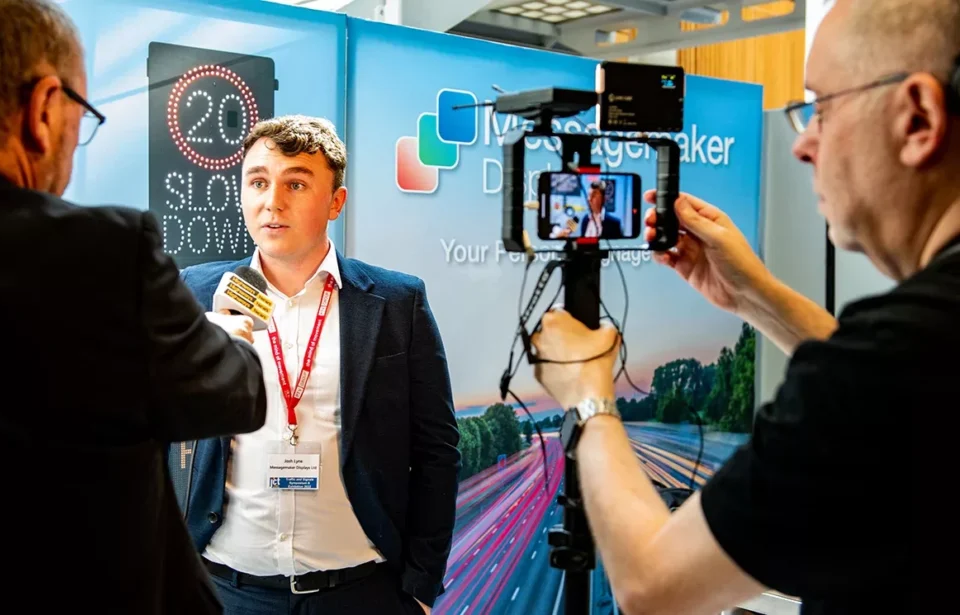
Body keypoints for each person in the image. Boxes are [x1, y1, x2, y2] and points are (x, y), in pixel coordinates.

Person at [530, 0, 957, 613]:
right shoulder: (916, 351)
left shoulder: (896, 359)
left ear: (918, 118)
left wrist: (588, 394)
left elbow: (654, 585)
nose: (802, 145)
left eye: (820, 109)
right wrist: (753, 293)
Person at [0, 0, 269, 612]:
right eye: (80, 116)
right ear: (43, 110)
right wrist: (223, 337)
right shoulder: (105, 255)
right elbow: (234, 394)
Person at [168, 115, 461, 615]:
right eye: (258, 182)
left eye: (296, 184)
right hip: (225, 592)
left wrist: (420, 588)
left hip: (360, 594)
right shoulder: (193, 293)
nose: (272, 202)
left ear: (335, 202)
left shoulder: (396, 302)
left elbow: (437, 449)